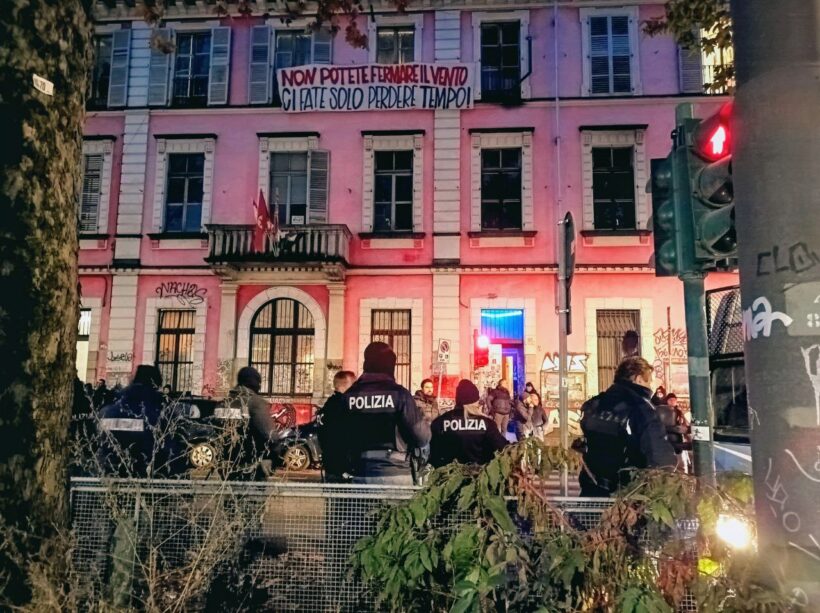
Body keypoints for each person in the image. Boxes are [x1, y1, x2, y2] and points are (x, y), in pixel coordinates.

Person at [578, 356, 676, 497]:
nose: (651, 386)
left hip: (591, 489)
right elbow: (658, 454)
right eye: (649, 381)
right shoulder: (641, 408)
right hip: (627, 494)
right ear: (638, 379)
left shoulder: (596, 403)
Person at [341, 342, 430, 485]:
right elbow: (422, 436)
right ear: (391, 366)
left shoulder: (349, 396)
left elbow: (339, 436)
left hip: (359, 474)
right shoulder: (400, 394)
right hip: (395, 473)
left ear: (366, 363)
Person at [98, 365, 183, 477]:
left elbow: (99, 440)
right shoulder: (161, 408)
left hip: (111, 472)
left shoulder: (110, 409)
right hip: (148, 474)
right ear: (156, 383)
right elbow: (173, 446)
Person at [430, 380, 508, 467]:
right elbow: (502, 448)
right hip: (480, 472)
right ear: (474, 402)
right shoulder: (487, 423)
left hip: (449, 472)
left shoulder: (441, 421)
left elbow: (433, 450)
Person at [226, 367, 277, 458]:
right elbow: (269, 435)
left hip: (224, 459)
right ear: (254, 383)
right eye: (259, 383)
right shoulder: (255, 402)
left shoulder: (224, 402)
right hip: (249, 459)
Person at [316, 370, 356, 482]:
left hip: (331, 466)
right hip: (343, 468)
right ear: (345, 385)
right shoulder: (342, 406)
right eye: (354, 384)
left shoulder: (328, 405)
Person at [657, 394, 692, 473]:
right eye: (670, 400)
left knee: (681, 467)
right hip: (669, 442)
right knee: (673, 467)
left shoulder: (679, 412)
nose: (673, 402)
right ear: (667, 401)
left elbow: (684, 425)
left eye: (674, 400)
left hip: (678, 441)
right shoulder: (660, 411)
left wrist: (687, 435)